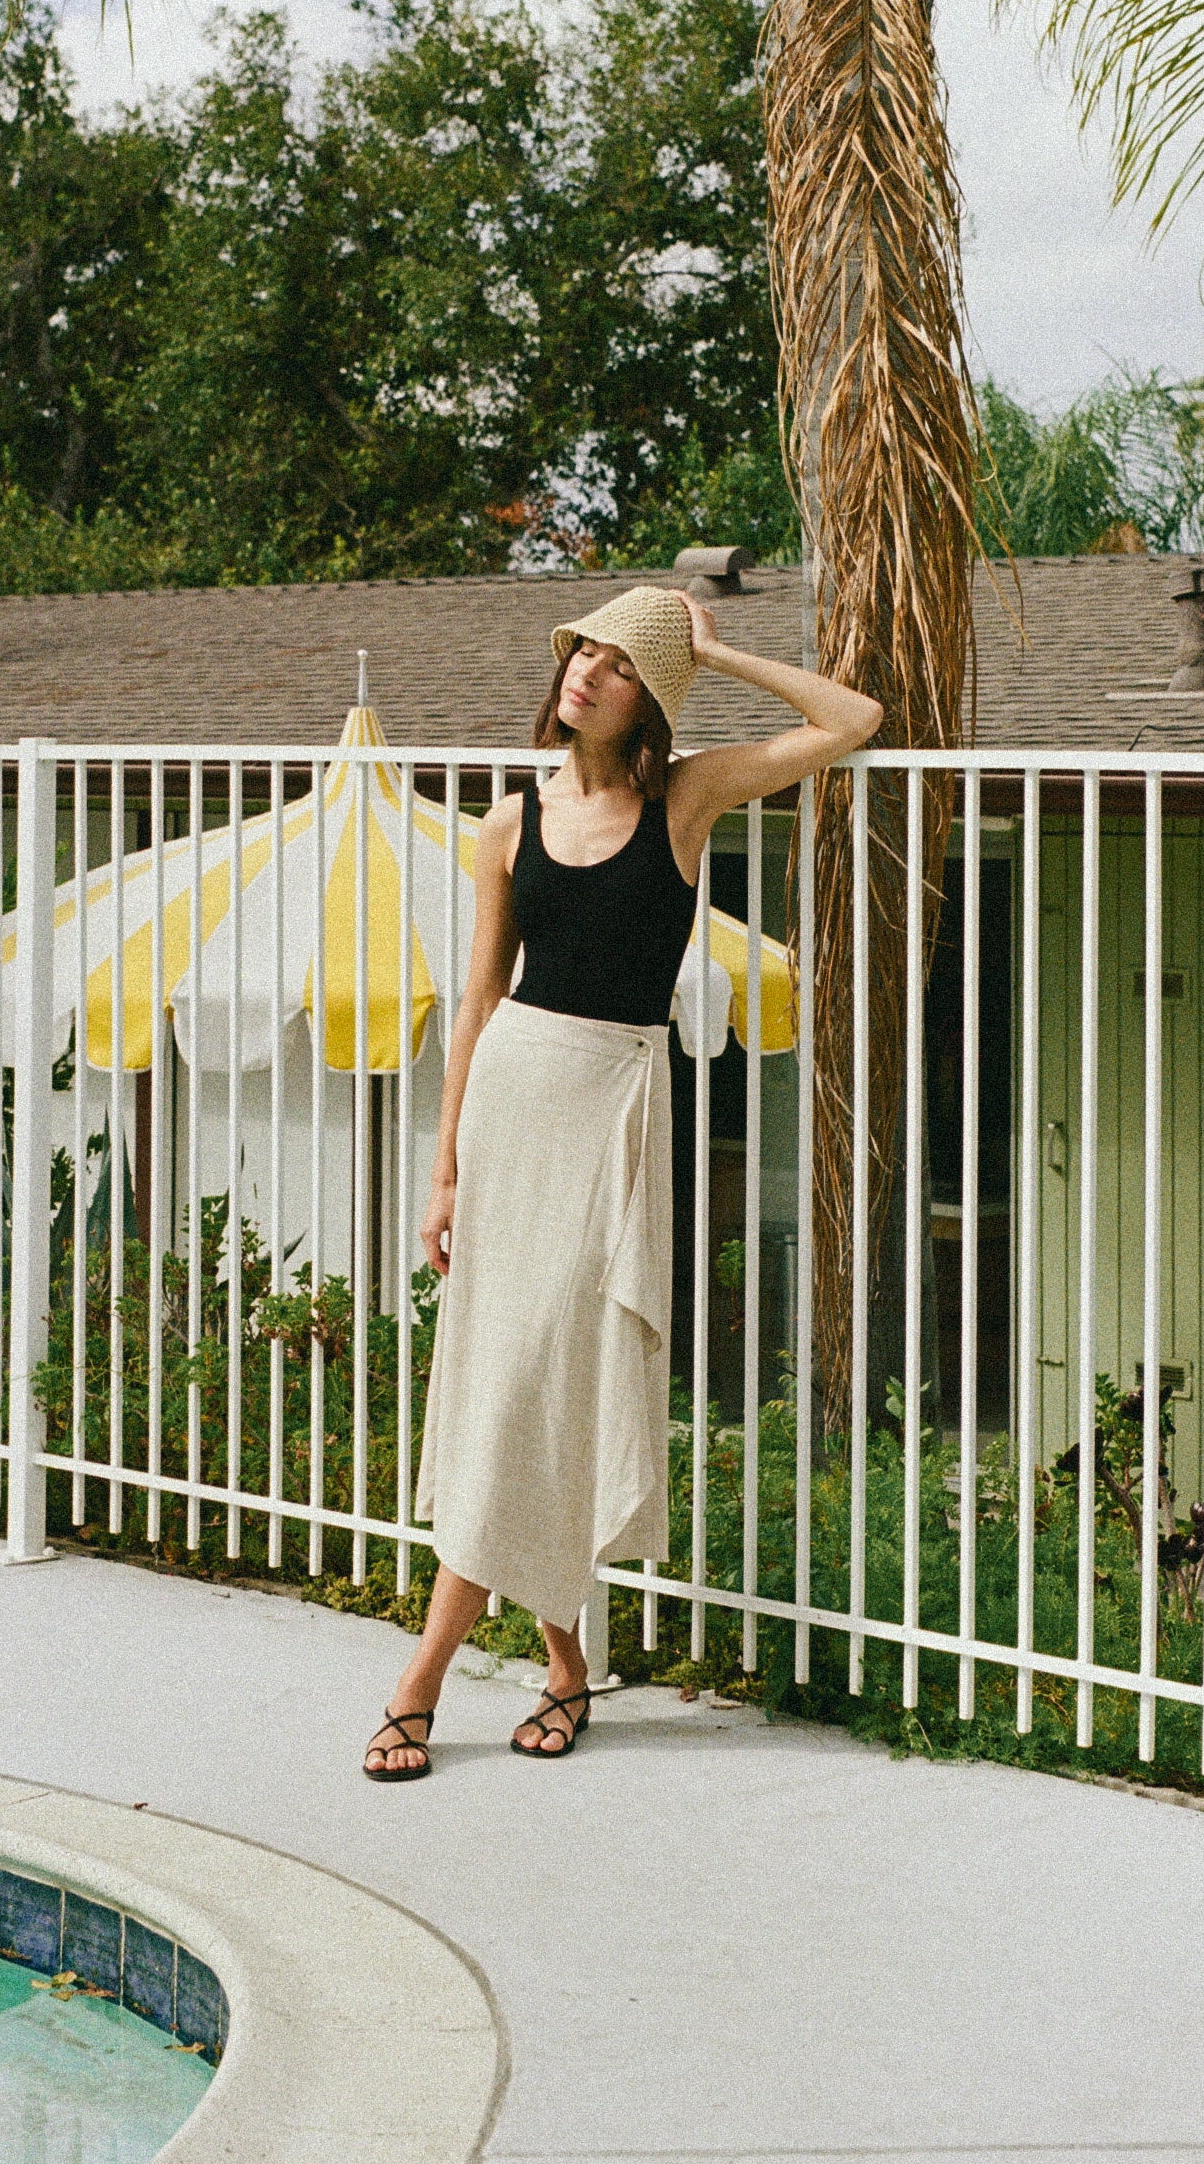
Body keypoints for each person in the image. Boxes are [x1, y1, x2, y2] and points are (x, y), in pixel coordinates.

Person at [362, 582, 881, 1778]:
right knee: (512, 1389)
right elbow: (476, 1005)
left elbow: (850, 717)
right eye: (579, 653)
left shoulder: (682, 798)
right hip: (512, 1110)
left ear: (647, 699)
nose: (582, 673)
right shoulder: (506, 821)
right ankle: (555, 1667)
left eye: (613, 663)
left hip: (611, 1114)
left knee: (546, 1380)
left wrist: (716, 652)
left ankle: (420, 1681)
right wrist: (442, 1174)